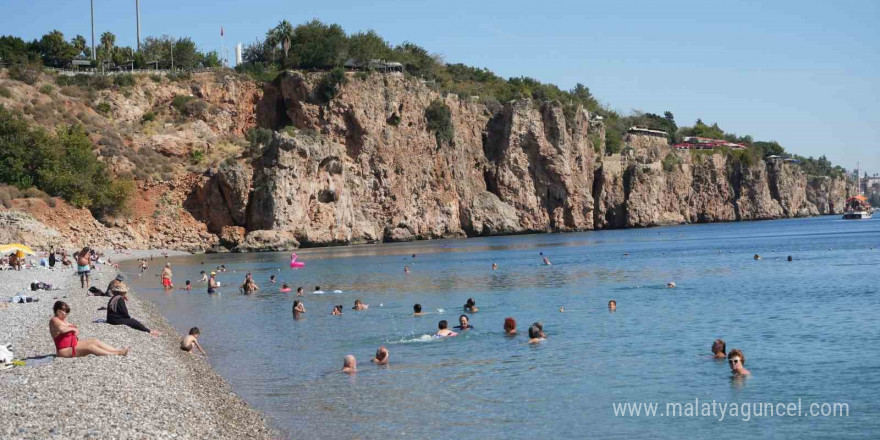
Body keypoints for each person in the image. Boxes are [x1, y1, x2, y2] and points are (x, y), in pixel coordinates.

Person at [50, 301, 128, 357]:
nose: (66, 314)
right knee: (90, 347)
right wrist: (73, 329)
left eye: (67, 312)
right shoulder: (54, 320)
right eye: (65, 312)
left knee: (95, 341)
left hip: (72, 344)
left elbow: (70, 328)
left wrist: (75, 329)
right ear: (58, 311)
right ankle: (117, 354)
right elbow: (62, 329)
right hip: (64, 350)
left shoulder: (62, 321)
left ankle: (117, 350)